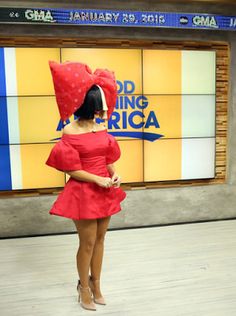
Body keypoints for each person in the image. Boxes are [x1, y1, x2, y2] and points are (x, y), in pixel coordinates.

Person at [46, 61, 126, 311]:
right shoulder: (69, 130)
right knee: (88, 242)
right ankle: (83, 287)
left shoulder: (101, 126)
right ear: (88, 105)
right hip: (83, 192)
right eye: (99, 106)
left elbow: (106, 158)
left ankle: (97, 283)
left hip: (104, 189)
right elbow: (70, 168)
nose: (103, 111)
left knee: (101, 239)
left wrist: (114, 174)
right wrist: (96, 178)